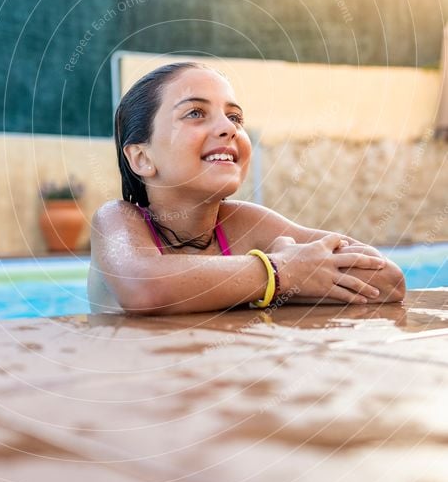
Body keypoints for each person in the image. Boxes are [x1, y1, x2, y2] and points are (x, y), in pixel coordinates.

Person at [91, 62, 405, 314]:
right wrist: (283, 272)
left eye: (234, 116)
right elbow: (144, 287)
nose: (229, 128)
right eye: (195, 113)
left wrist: (288, 281)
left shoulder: (245, 226)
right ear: (142, 157)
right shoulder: (118, 221)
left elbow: (388, 281)